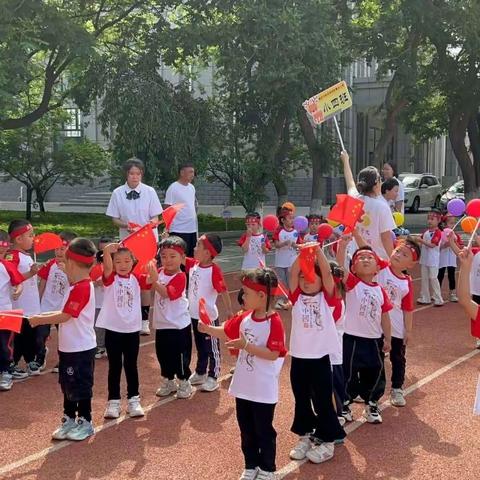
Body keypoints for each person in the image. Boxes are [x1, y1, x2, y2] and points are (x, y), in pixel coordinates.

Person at [197, 268, 287, 480]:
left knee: (264, 430)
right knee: (246, 429)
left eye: (246, 292)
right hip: (244, 386)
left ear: (262, 295)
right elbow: (227, 330)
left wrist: (246, 345)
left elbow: (273, 354)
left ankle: (267, 468)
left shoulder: (273, 322)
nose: (242, 296)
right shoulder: (245, 317)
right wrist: (208, 328)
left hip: (263, 389)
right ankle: (251, 464)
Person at [29, 238, 97, 441]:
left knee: (80, 385)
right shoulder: (75, 285)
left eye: (65, 262)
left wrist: (38, 319)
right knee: (67, 384)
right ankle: (68, 418)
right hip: (68, 347)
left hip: (81, 348)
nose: (62, 265)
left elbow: (66, 315)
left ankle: (85, 421)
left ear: (73, 263)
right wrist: (40, 317)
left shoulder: (83, 287)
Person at [287, 246, 345, 464]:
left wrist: (317, 251)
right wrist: (302, 256)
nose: (306, 280)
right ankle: (305, 436)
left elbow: (328, 273)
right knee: (301, 399)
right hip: (299, 358)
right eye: (304, 277)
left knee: (322, 400)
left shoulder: (328, 298)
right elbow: (292, 273)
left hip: (320, 358)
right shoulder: (296, 297)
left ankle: (328, 440)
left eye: (312, 277)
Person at [336, 237, 392, 424]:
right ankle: (344, 404)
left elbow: (385, 315)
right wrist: (343, 247)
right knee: (347, 373)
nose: (365, 260)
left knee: (375, 371)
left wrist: (388, 338)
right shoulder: (352, 283)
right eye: (360, 258)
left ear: (377, 268)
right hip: (351, 338)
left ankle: (371, 403)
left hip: (374, 339)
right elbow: (340, 269)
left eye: (370, 257)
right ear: (353, 268)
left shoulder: (380, 290)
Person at [97, 243, 150, 419]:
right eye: (118, 261)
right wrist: (106, 251)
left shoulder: (136, 279)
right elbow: (106, 268)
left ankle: (134, 399)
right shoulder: (110, 279)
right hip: (113, 329)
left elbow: (152, 279)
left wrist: (152, 262)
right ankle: (113, 402)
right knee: (114, 366)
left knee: (131, 365)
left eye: (127, 260)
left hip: (132, 330)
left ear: (133, 262)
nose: (123, 264)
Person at [371, 235, 420, 407]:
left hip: (397, 328)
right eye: (398, 250)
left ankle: (397, 389)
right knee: (376, 359)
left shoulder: (406, 282)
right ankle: (373, 392)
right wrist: (355, 233)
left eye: (405, 254)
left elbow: (407, 309)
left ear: (411, 264)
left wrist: (409, 330)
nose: (399, 255)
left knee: (398, 358)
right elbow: (366, 249)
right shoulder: (381, 267)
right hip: (376, 325)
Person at [186, 234, 233, 392]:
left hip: (208, 318)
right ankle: (200, 371)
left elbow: (223, 290)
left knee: (212, 347)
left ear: (207, 252)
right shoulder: (193, 264)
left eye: (198, 246)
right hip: (194, 315)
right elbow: (178, 257)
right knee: (200, 346)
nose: (194, 248)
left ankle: (213, 375)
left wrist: (229, 311)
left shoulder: (214, 270)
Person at [147, 236, 193, 399]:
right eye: (163, 256)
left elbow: (167, 293)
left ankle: (184, 381)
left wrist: (154, 280)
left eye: (172, 256)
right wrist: (148, 272)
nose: (167, 260)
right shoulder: (159, 272)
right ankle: (168, 380)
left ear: (182, 258)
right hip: (162, 324)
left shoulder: (180, 276)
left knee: (180, 356)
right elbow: (146, 284)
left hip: (178, 325)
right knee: (163, 355)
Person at [341, 151, 396, 260]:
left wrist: (346, 162)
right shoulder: (382, 207)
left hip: (356, 258)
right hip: (377, 261)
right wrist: (393, 261)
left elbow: (350, 182)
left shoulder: (354, 200)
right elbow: (386, 238)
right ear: (376, 184)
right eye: (380, 180)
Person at [38, 231, 77, 372]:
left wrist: (66, 270)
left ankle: (63, 361)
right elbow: (43, 281)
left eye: (62, 248)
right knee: (40, 334)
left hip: (63, 308)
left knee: (64, 336)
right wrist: (39, 299)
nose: (59, 252)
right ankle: (40, 356)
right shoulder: (50, 264)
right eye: (56, 248)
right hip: (47, 305)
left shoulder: (74, 266)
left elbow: (75, 282)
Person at [6, 220, 40, 378]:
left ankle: (30, 360)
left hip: (30, 306)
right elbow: (11, 277)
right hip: (20, 307)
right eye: (30, 235)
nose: (34, 238)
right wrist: (31, 274)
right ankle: (12, 363)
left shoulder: (25, 255)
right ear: (18, 239)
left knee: (30, 335)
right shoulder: (13, 256)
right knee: (19, 337)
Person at [106, 157, 163, 241]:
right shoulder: (117, 193)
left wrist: (149, 224)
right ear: (126, 174)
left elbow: (155, 216)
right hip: (127, 237)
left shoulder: (150, 191)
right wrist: (127, 225)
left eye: (138, 174)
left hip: (148, 236)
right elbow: (115, 218)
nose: (135, 177)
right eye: (132, 174)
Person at [0, 230, 24, 391]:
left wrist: (18, 290)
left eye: (4, 248)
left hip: (5, 311)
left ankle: (6, 371)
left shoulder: (7, 265)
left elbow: (18, 282)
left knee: (4, 344)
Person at [164, 164, 198, 257]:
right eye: (190, 172)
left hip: (191, 228)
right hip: (178, 229)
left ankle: (189, 272)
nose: (192, 174)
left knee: (191, 256)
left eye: (193, 172)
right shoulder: (173, 188)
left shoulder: (192, 187)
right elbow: (167, 208)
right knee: (179, 256)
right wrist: (167, 228)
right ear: (182, 172)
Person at [273, 207, 301, 309]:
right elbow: (276, 245)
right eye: (289, 218)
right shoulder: (279, 231)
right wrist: (284, 243)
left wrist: (295, 245)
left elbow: (299, 245)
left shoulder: (296, 232)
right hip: (280, 261)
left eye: (293, 218)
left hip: (292, 261)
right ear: (283, 220)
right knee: (281, 281)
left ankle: (291, 299)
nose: (292, 220)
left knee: (291, 281)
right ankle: (281, 300)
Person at [90, 236, 112, 359]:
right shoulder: (95, 268)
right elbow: (88, 283)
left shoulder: (117, 267)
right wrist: (95, 284)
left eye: (108, 250)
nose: (104, 254)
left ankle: (110, 346)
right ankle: (100, 347)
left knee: (110, 327)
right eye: (102, 251)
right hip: (98, 303)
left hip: (111, 304)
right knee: (98, 326)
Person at [416, 209, 443, 306]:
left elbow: (432, 245)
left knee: (433, 278)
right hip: (424, 259)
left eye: (432, 219)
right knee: (424, 278)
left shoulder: (438, 232)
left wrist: (421, 241)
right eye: (428, 219)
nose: (429, 221)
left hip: (433, 260)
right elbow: (420, 241)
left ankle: (438, 298)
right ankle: (425, 297)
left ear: (438, 220)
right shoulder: (426, 232)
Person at [438, 215, 462, 302]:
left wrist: (454, 241)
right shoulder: (441, 234)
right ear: (444, 224)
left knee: (451, 276)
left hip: (452, 259)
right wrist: (446, 244)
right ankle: (437, 293)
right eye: (450, 223)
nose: (452, 225)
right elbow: (438, 247)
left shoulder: (455, 235)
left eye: (453, 223)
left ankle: (452, 293)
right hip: (442, 258)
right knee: (440, 275)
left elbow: (459, 247)